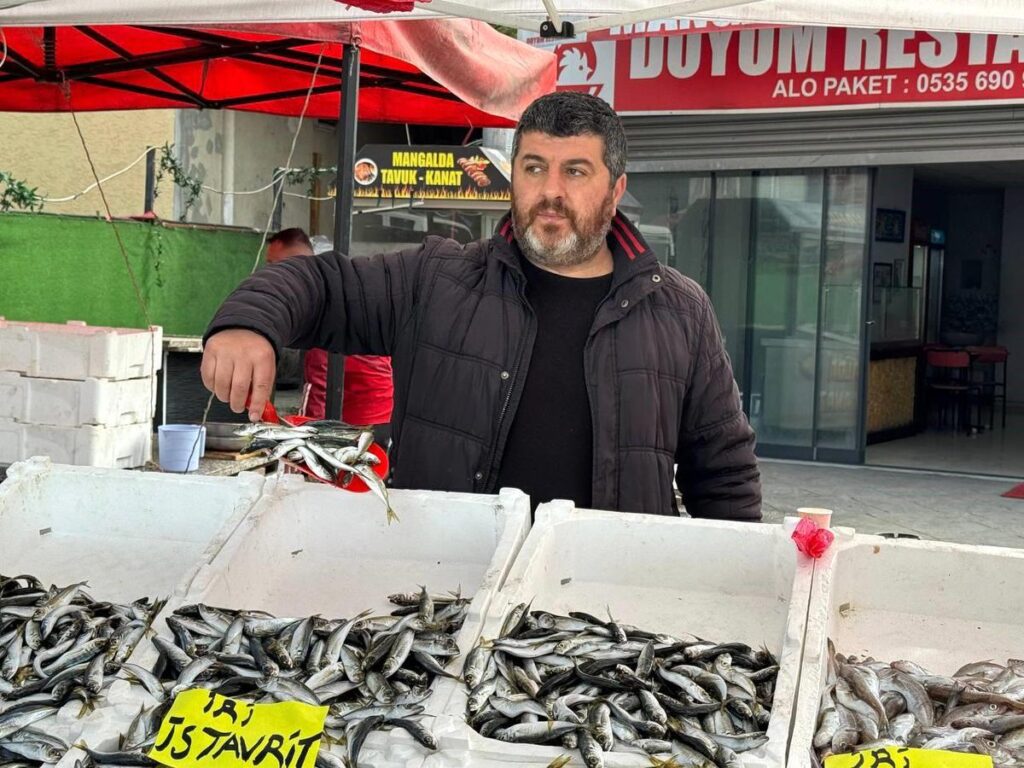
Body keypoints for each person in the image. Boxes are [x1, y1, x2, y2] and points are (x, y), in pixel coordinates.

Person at [202, 92, 761, 519]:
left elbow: (724, 473)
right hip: (447, 595)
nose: (551, 191)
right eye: (534, 167)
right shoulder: (436, 278)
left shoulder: (679, 311)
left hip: (607, 605)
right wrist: (248, 323)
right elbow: (321, 284)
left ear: (615, 190)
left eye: (575, 171)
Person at [265, 228, 394, 445]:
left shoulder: (321, 302)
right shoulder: (347, 287)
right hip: (382, 411)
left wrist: (305, 434)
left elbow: (320, 382)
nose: (269, 274)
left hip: (357, 423)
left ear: (294, 264)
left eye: (273, 265)